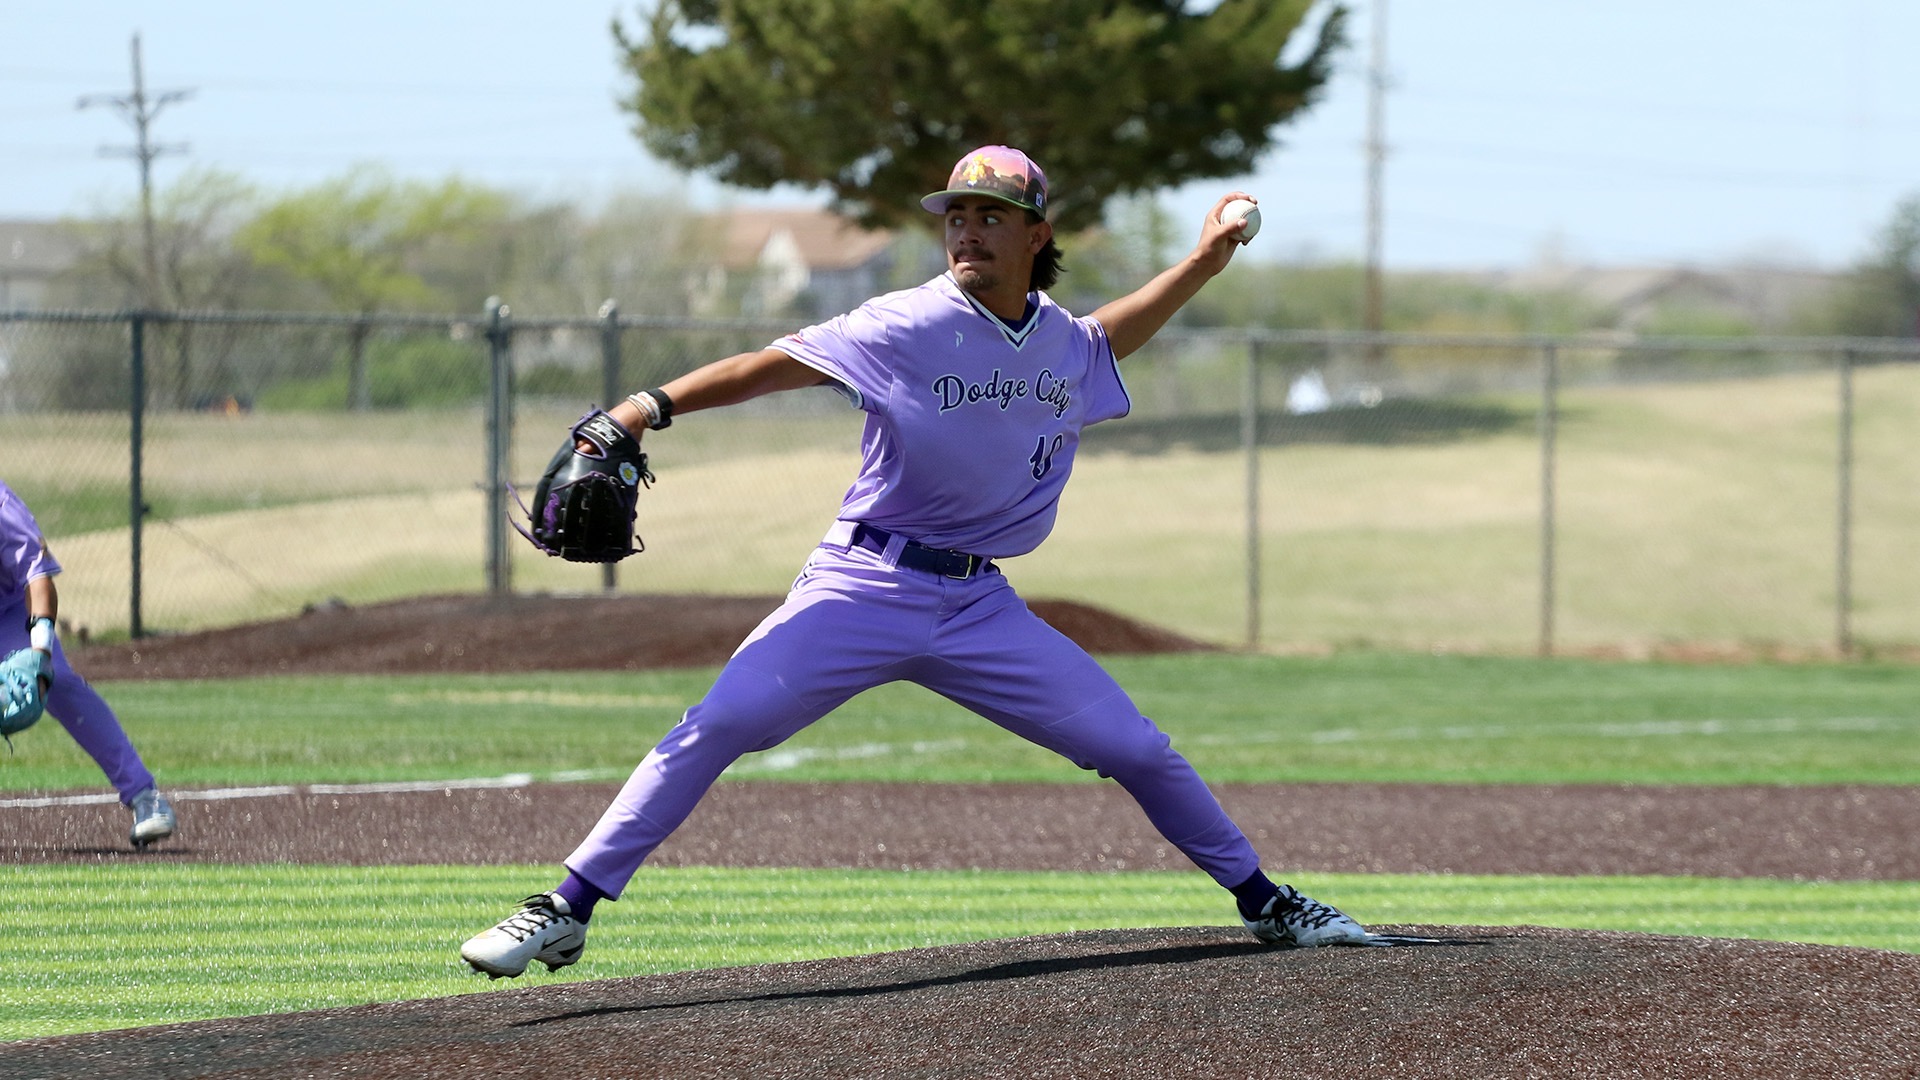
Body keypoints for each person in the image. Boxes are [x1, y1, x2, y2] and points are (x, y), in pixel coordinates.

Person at [460, 145, 1368, 978]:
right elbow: (774, 365)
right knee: (721, 722)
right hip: (864, 583)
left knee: (1136, 748)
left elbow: (1109, 337)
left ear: (1036, 235)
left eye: (990, 216)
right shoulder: (906, 321)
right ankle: (567, 907)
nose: (966, 230)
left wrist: (1204, 262)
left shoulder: (1062, 341)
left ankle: (1268, 902)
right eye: (956, 216)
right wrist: (643, 408)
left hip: (979, 605)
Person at [0, 480, 177, 849]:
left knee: (61, 682)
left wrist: (40, 654)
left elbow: (36, 575)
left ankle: (144, 795)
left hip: (10, 611)